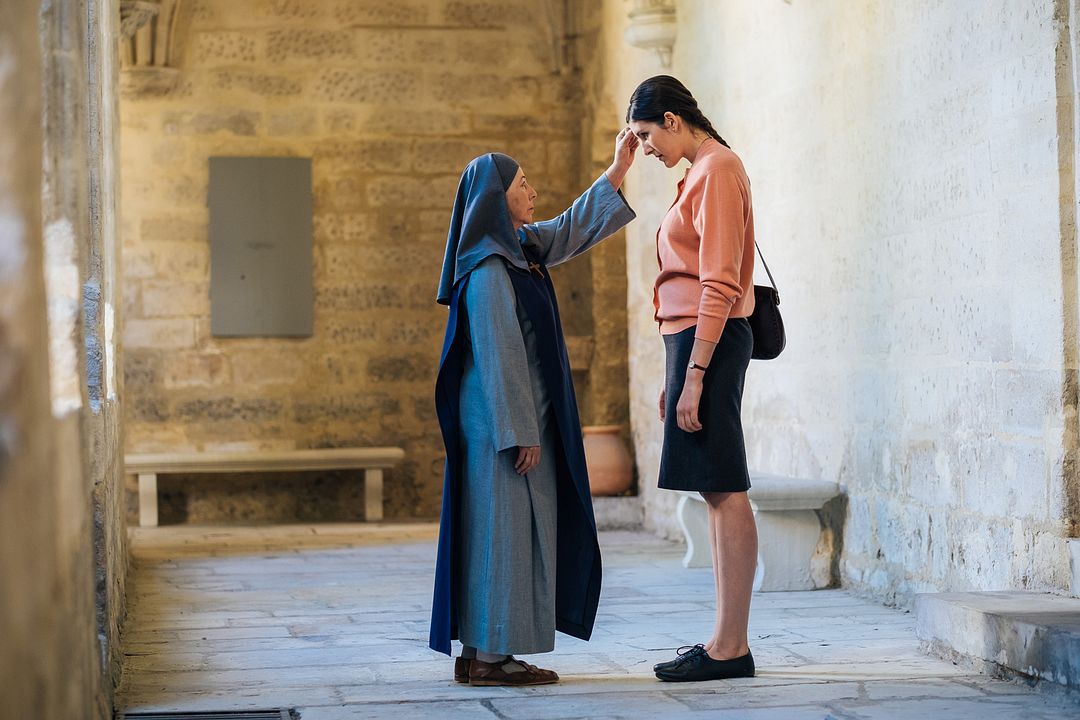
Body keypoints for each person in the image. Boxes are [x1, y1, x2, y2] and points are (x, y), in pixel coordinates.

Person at [429, 130, 638, 686]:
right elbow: (498, 357)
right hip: (504, 425)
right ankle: (493, 660)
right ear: (499, 199)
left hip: (511, 423)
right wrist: (520, 431)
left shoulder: (517, 249)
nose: (534, 191)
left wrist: (617, 170)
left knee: (500, 535)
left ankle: (481, 654)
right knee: (503, 536)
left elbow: (568, 231)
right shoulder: (491, 270)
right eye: (523, 185)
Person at [626, 75, 759, 682]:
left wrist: (697, 372)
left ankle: (731, 648)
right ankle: (724, 641)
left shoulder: (718, 169)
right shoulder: (699, 172)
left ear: (673, 120)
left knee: (725, 485)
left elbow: (721, 282)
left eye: (647, 135)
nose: (647, 148)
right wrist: (675, 372)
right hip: (693, 344)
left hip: (713, 342)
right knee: (712, 486)